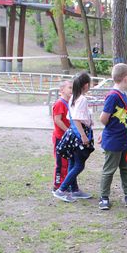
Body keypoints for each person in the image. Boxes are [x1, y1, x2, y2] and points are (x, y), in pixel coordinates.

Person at [53, 72, 94, 203]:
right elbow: (76, 118)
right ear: (86, 85)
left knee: (72, 162)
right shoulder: (81, 99)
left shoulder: (73, 98)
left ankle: (74, 190)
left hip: (73, 133)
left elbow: (70, 117)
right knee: (79, 165)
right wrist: (83, 135)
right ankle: (62, 189)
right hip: (78, 133)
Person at [98, 63, 127, 210]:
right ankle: (104, 197)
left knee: (126, 168)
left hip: (124, 139)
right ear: (125, 78)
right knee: (109, 169)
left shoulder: (122, 95)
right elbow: (103, 118)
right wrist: (108, 131)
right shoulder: (113, 96)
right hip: (114, 140)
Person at [52, 80, 71, 192]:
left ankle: (66, 183)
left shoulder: (69, 103)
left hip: (67, 138)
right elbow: (57, 120)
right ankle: (58, 185)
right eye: (69, 87)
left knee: (67, 162)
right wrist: (68, 131)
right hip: (60, 137)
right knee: (60, 163)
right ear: (62, 90)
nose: (71, 90)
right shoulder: (59, 103)